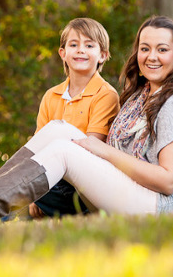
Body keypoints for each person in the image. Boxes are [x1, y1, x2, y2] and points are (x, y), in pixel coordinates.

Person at [0, 15, 173, 220]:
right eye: (145, 48)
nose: (151, 57)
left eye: (162, 50)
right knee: (57, 129)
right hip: (128, 191)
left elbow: (168, 181)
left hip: (162, 207)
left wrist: (104, 152)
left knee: (64, 149)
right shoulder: (139, 96)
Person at [26, 17, 120, 218]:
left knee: (31, 190)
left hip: (85, 182)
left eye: (89, 45)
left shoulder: (105, 95)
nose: (80, 50)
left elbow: (91, 149)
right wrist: (35, 195)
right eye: (74, 44)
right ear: (63, 53)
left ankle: (81, 210)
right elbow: (38, 148)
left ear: (102, 55)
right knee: (24, 180)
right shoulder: (51, 96)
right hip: (54, 177)